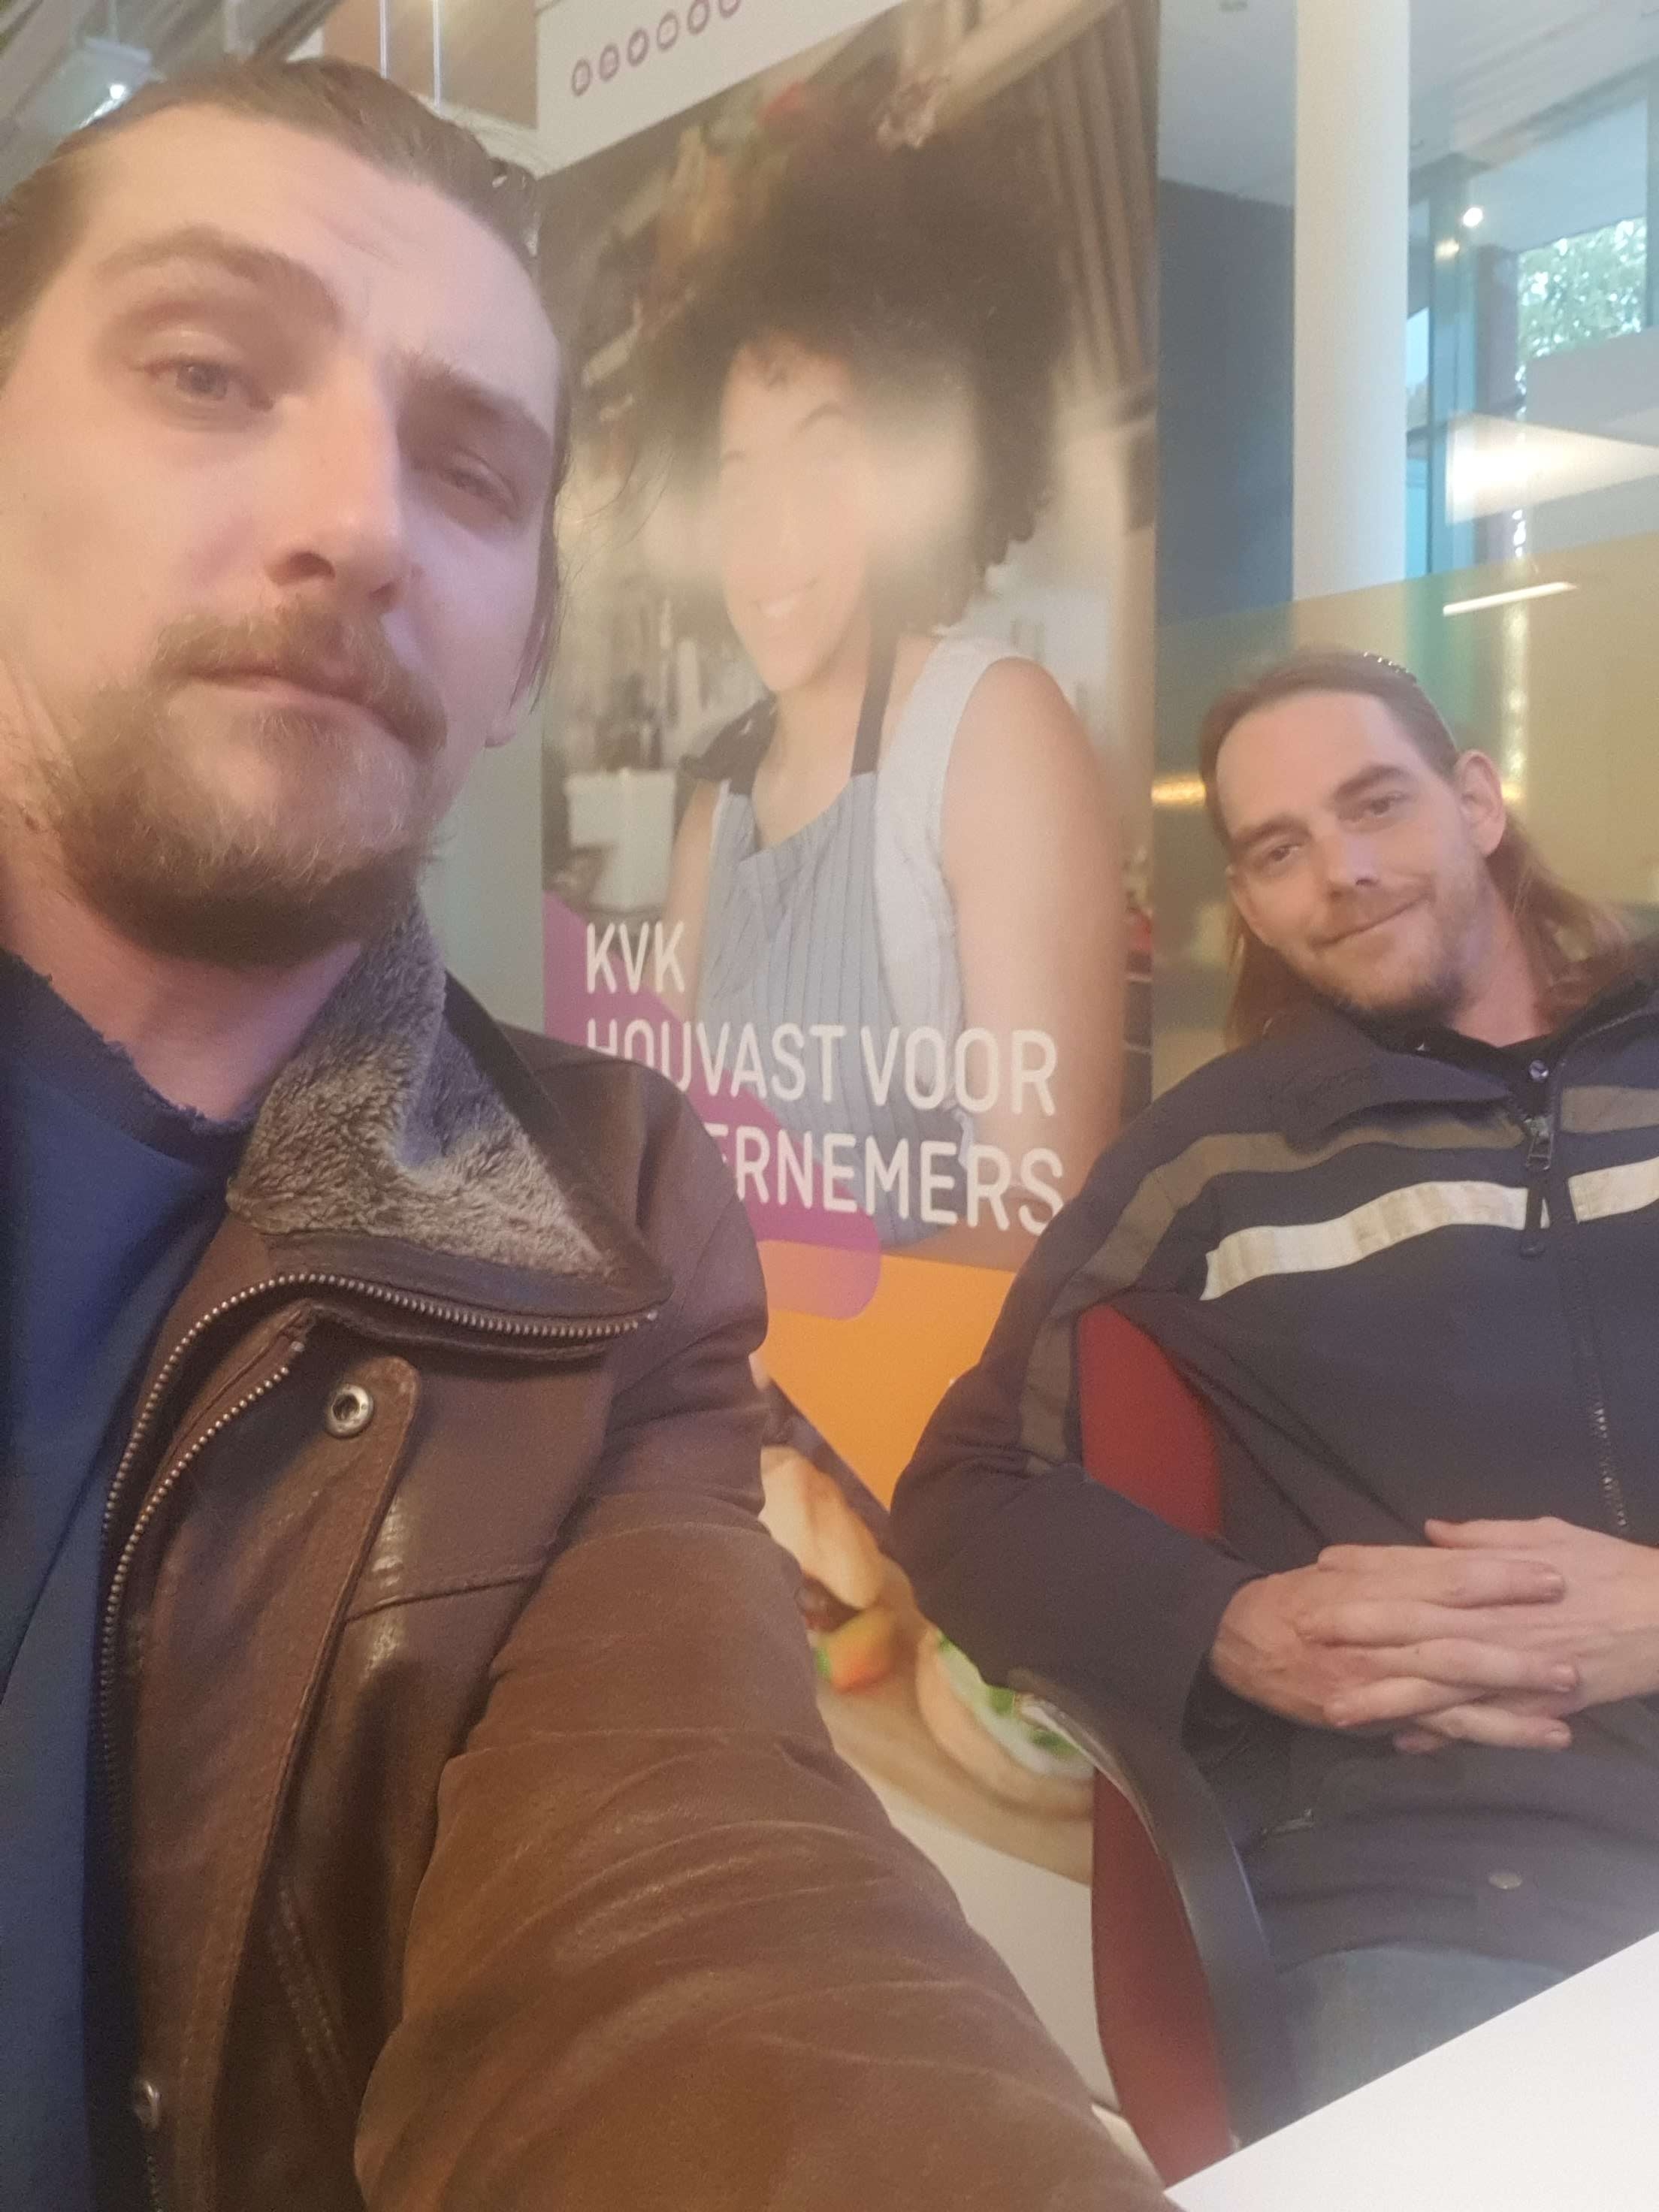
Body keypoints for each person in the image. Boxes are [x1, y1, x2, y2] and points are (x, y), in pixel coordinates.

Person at [0, 58, 1172, 2211]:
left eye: (469, 469)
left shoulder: (593, 1226)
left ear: (527, 642)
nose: (360, 521)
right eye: (205, 371)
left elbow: (692, 1909)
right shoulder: (728, 815)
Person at [893, 645, 1659, 2113]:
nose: (1343, 873)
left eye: (1377, 805)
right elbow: (963, 1494)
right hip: (1452, 1885)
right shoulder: (1215, 1158)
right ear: (1249, 903)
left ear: (1477, 802)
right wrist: (1229, 1626)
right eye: (1280, 849)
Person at [651, 133, 1124, 1261]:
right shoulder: (717, 809)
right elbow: (661, 1162)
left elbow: (1041, 1219)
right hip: (728, 1369)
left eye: (826, 460)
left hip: (930, 1376)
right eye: (737, 479)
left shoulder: (992, 731)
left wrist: (800, 1346)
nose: (772, 533)